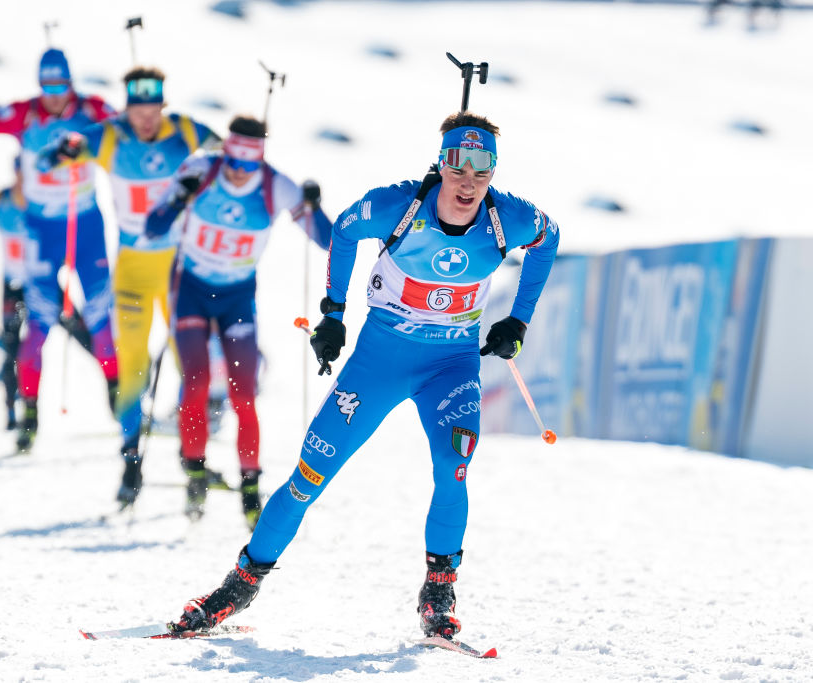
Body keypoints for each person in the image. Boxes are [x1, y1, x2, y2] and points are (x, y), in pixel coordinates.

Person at [166, 111, 560, 639]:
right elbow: (347, 227)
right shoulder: (400, 205)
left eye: (482, 167)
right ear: (441, 163)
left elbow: (549, 237)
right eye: (458, 165)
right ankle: (239, 585)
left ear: (493, 170)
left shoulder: (506, 219)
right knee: (309, 478)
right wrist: (332, 313)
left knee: (454, 465)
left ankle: (438, 592)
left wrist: (518, 319)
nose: (469, 181)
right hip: (380, 362)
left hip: (451, 365)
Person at [38, 66, 220, 506]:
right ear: (127, 107)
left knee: (191, 367)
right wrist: (62, 150)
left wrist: (209, 170)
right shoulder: (110, 137)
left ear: (162, 103)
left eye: (151, 108)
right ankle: (130, 462)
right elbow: (54, 156)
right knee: (133, 366)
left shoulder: (186, 131)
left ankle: (192, 460)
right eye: (136, 109)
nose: (144, 118)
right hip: (135, 269)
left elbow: (230, 156)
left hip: (179, 268)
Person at [146, 114, 333, 528]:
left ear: (259, 161)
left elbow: (326, 239)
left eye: (247, 165)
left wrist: (313, 206)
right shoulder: (200, 170)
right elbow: (153, 226)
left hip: (236, 298)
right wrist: (180, 197)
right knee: (194, 382)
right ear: (224, 152)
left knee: (243, 395)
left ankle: (250, 485)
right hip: (190, 289)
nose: (236, 172)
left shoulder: (274, 185)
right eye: (232, 160)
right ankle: (194, 471)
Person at [0, 47, 119, 452]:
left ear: (71, 82)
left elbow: (127, 130)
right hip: (43, 229)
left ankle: (121, 396)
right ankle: (28, 416)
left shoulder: (92, 108)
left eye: (61, 85)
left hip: (86, 225)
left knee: (100, 314)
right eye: (47, 86)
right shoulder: (24, 115)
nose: (55, 94)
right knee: (39, 324)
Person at [0, 157, 94, 429]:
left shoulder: (48, 203)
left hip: (46, 284)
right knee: (11, 348)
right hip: (13, 286)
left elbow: (73, 236)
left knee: (82, 332)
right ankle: (13, 416)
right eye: (21, 172)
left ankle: (120, 391)